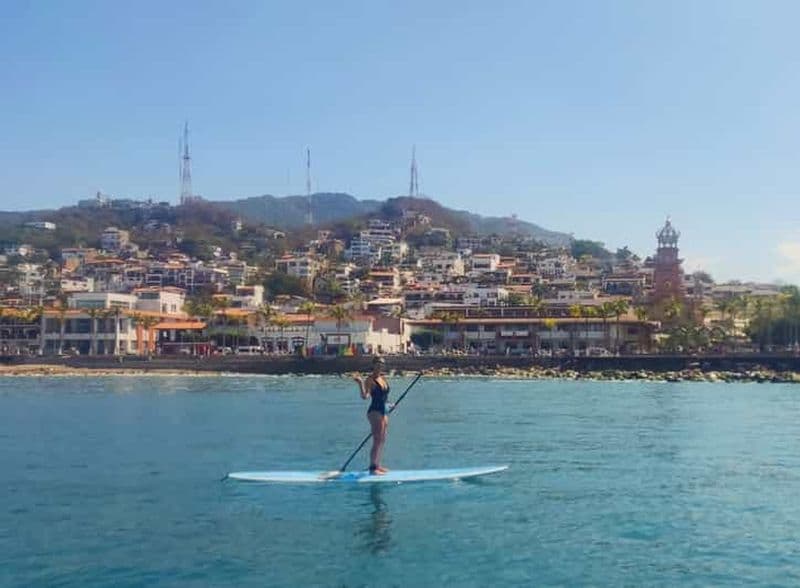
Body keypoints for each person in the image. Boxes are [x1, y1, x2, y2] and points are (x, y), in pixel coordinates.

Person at [353, 356, 391, 475]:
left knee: (382, 439)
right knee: (376, 439)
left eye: (382, 364)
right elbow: (365, 396)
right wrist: (360, 383)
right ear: (374, 365)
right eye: (378, 364)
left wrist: (390, 405)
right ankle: (372, 468)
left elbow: (384, 397)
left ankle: (377, 465)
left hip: (384, 410)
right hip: (374, 411)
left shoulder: (383, 378)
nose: (380, 366)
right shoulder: (370, 380)